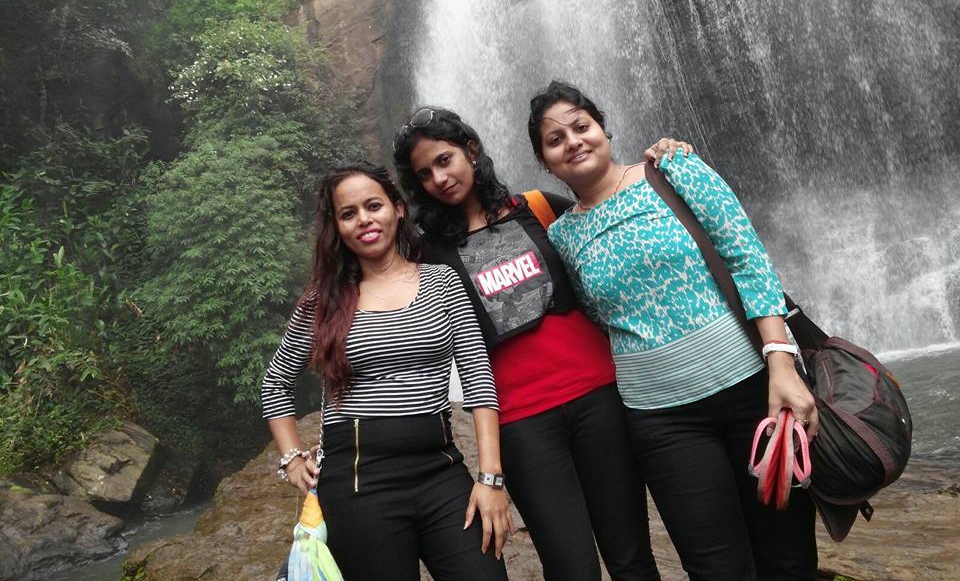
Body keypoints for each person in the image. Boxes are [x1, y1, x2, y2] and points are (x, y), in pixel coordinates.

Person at [527, 81, 819, 581]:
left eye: (582, 126)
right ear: (545, 161)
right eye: (556, 140)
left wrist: (782, 364)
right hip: (659, 420)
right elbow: (598, 318)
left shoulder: (673, 170)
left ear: (604, 129)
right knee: (713, 566)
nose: (573, 141)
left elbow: (746, 257)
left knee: (787, 554)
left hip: (755, 390)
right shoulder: (561, 236)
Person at [393, 108, 688, 581]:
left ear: (471, 150)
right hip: (520, 421)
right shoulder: (428, 252)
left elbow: (607, 199)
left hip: (600, 398)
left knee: (631, 555)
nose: (439, 178)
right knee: (570, 567)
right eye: (424, 174)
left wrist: (662, 160)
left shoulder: (540, 207)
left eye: (445, 160)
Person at [260, 162, 512, 581]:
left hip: (440, 469)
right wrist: (289, 458)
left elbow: (478, 379)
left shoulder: (442, 281)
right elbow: (276, 381)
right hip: (358, 480)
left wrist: (490, 479)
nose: (364, 220)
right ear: (337, 228)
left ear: (397, 208)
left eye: (373, 205)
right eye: (348, 213)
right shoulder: (324, 300)